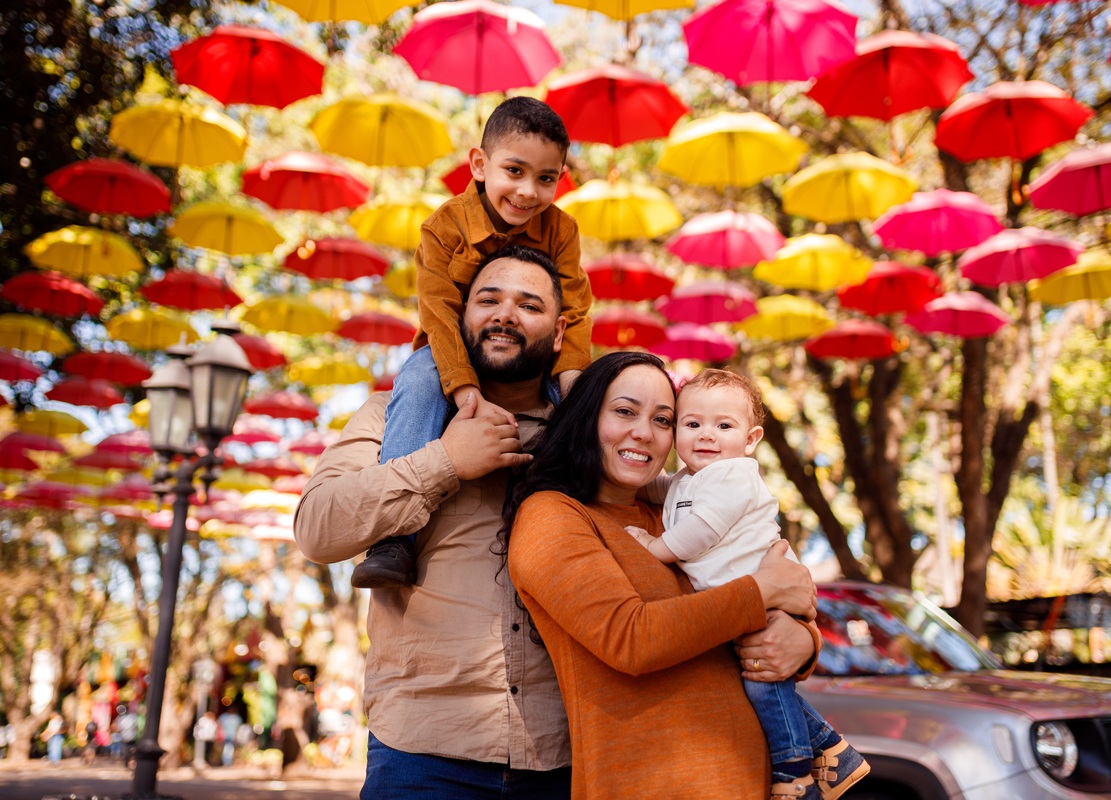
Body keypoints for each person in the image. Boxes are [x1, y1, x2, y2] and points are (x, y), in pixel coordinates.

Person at [294, 250, 821, 800]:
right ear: (459, 316)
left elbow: (729, 540)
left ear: (559, 330)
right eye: (489, 300)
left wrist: (801, 637)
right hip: (426, 747)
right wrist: (444, 460)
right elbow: (317, 528)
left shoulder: (601, 435)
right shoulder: (395, 415)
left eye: (529, 304)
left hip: (565, 755)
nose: (506, 315)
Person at [504, 351, 822, 800]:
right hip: (648, 783)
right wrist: (763, 591)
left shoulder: (677, 509)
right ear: (585, 418)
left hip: (749, 781)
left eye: (662, 419)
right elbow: (631, 639)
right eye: (624, 411)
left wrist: (805, 640)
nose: (644, 432)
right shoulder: (553, 517)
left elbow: (770, 588)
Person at [352, 96, 593, 590]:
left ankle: (589, 507)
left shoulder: (562, 229)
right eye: (515, 171)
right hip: (451, 354)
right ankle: (394, 537)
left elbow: (574, 310)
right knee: (418, 377)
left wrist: (573, 384)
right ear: (480, 165)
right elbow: (438, 311)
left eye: (546, 178)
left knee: (592, 396)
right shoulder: (444, 227)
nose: (528, 191)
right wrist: (463, 390)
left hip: (530, 357)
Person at [624, 369, 868, 800]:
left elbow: (701, 530)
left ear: (751, 439)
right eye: (692, 423)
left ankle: (793, 770)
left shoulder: (734, 475)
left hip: (766, 596)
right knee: (761, 679)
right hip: (746, 598)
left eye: (724, 426)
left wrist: (653, 546)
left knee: (762, 682)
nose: (707, 436)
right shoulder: (688, 480)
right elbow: (655, 488)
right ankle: (833, 750)